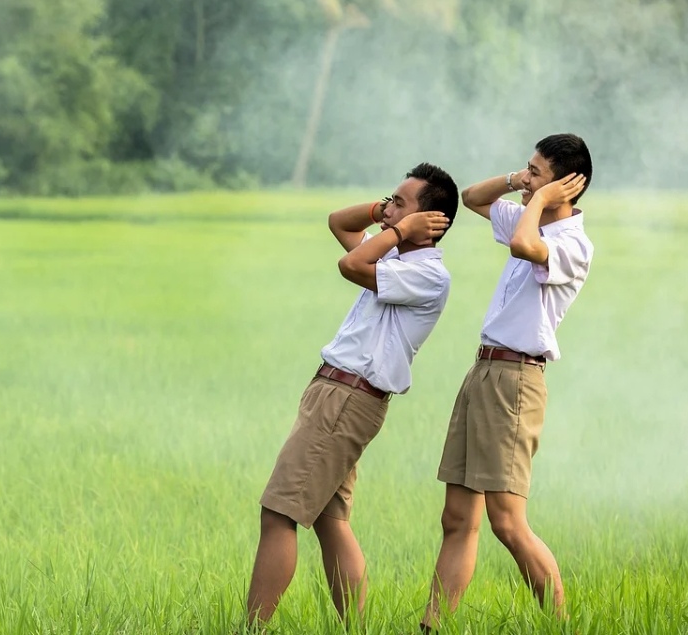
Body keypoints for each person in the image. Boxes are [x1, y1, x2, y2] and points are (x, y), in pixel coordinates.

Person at [246, 163, 459, 626]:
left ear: (430, 221)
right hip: (336, 393)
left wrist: (399, 229)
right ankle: (356, 628)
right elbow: (338, 223)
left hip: (347, 398)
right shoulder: (395, 257)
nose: (388, 210)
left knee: (278, 513)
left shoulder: (427, 275)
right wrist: (386, 212)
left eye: (401, 202)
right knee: (329, 520)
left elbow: (350, 264)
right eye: (390, 200)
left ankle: (250, 628)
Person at [420, 134, 593, 630]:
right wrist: (522, 183)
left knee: (507, 522)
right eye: (527, 169)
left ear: (564, 186)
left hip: (517, 379)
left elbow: (523, 244)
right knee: (457, 518)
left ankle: (559, 623)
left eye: (537, 171)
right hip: (484, 371)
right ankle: (433, 625)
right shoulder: (528, 214)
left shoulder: (572, 243)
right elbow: (473, 198)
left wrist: (539, 199)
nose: (525, 178)